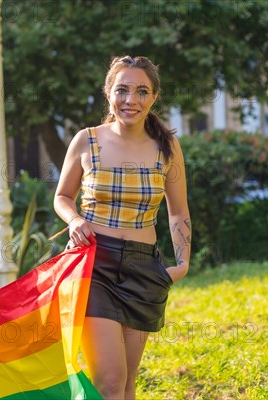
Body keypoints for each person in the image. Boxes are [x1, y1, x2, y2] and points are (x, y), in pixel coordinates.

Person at [54, 56, 191, 399]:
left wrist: (183, 264)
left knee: (128, 381)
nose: (131, 100)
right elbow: (62, 197)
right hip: (93, 264)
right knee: (110, 380)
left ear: (154, 97)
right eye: (123, 90)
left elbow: (178, 213)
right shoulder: (87, 140)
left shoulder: (167, 147)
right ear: (109, 94)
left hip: (144, 268)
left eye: (142, 91)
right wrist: (75, 219)